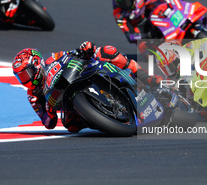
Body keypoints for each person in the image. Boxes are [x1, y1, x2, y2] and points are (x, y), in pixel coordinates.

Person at [12, 42, 163, 132]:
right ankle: (106, 118)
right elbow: (48, 123)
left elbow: (69, 54)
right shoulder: (32, 95)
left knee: (106, 51)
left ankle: (146, 77)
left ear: (37, 64)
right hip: (68, 102)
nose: (26, 79)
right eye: (21, 77)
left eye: (27, 73)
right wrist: (49, 111)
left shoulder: (51, 58)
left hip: (78, 74)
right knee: (71, 126)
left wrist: (84, 48)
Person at [112, 0, 189, 47]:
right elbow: (130, 37)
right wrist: (147, 36)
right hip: (140, 28)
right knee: (146, 52)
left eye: (126, 1)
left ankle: (182, 20)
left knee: (161, 2)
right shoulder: (118, 14)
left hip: (151, 15)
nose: (124, 5)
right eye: (120, 3)